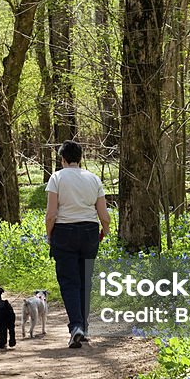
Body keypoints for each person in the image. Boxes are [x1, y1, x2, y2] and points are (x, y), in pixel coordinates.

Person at [45, 140, 110, 348]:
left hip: (64, 231)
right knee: (85, 281)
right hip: (90, 231)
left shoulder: (57, 178)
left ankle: (76, 327)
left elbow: (51, 214)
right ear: (80, 158)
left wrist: (49, 235)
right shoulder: (93, 178)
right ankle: (84, 326)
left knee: (69, 281)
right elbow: (104, 215)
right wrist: (104, 231)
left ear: (62, 159)